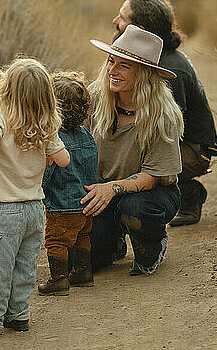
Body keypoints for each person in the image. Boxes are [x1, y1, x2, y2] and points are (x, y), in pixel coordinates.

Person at [0, 58, 70, 340]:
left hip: (4, 211)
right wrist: (46, 153)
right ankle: (18, 315)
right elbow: (65, 160)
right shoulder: (45, 126)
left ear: (6, 91)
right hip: (34, 209)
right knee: (24, 266)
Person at [112, 0, 217, 226]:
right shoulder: (144, 57)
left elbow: (167, 131)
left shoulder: (169, 68)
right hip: (176, 142)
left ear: (139, 29)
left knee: (133, 171)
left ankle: (188, 193)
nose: (115, 21)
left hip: (192, 148)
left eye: (122, 18)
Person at [83, 25, 183, 275]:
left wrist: (111, 189)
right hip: (102, 189)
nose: (111, 71)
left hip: (151, 193)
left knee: (134, 210)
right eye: (110, 61)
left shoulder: (163, 115)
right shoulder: (95, 96)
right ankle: (112, 243)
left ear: (144, 74)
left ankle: (152, 244)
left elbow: (151, 177)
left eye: (123, 66)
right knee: (84, 262)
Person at [38, 72, 98, 296]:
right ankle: (83, 273)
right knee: (82, 236)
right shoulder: (86, 136)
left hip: (62, 207)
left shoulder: (54, 140)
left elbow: (47, 174)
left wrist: (37, 190)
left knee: (56, 241)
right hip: (85, 204)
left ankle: (58, 279)